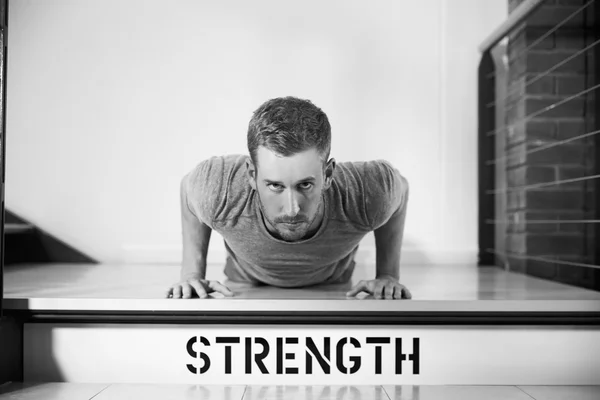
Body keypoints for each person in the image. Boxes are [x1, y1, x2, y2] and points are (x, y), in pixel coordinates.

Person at [166, 96, 411, 300]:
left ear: (327, 175)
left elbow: (400, 189)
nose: (292, 209)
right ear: (252, 174)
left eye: (305, 185)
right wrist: (191, 274)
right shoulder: (218, 188)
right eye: (275, 186)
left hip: (331, 285)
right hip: (248, 283)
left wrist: (387, 276)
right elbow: (188, 187)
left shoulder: (367, 191)